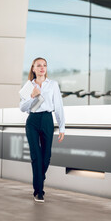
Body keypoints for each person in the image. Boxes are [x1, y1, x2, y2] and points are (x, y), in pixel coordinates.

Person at [19, 57, 65, 203]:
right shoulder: (28, 86)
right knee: (36, 156)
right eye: (38, 65)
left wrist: (62, 126)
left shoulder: (52, 85)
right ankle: (39, 191)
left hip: (47, 120)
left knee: (46, 156)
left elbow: (58, 106)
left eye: (44, 65)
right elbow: (22, 108)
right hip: (32, 121)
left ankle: (39, 177)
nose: (42, 68)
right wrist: (31, 96)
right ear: (33, 68)